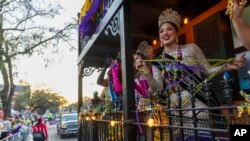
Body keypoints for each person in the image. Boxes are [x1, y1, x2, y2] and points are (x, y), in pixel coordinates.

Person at [158, 8, 246, 117]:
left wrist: (228, 66)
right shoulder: (158, 61)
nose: (165, 33)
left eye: (169, 29)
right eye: (161, 31)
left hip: (197, 102)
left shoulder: (192, 48)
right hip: (174, 108)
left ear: (176, 32)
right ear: (160, 37)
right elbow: (157, 87)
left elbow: (207, 70)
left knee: (200, 133)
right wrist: (145, 71)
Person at [133, 41, 164, 110]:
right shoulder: (137, 76)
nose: (137, 61)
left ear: (145, 58)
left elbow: (158, 88)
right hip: (146, 110)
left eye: (139, 57)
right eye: (135, 59)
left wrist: (146, 71)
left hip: (159, 107)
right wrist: (139, 103)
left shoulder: (154, 68)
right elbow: (140, 96)